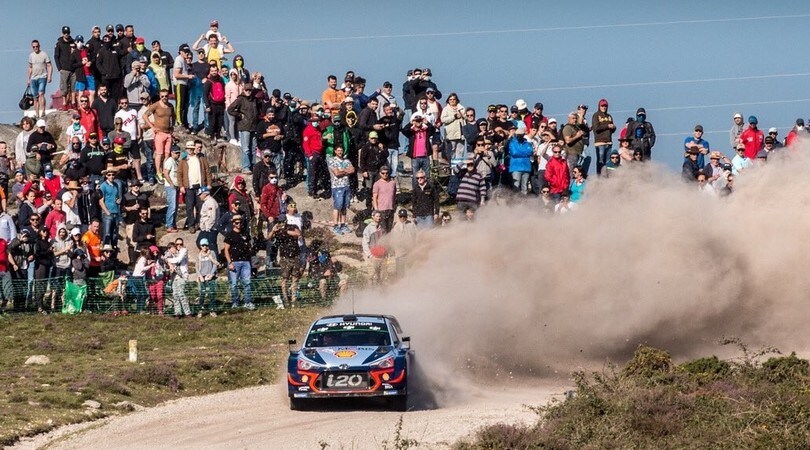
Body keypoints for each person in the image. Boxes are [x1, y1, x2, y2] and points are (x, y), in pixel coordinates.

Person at [177, 140, 213, 232]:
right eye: (188, 149)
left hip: (200, 186)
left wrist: (209, 184)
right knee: (189, 207)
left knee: (200, 206)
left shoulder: (201, 159)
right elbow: (179, 174)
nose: (189, 150)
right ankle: (191, 225)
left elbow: (207, 171)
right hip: (189, 187)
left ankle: (199, 223)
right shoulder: (183, 161)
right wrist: (181, 186)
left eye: (191, 148)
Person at [142, 88, 174, 183]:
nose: (164, 98)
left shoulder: (170, 106)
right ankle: (158, 172)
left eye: (166, 96)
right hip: (159, 133)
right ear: (160, 96)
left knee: (167, 154)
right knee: (159, 154)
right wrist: (152, 126)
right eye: (162, 96)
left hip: (168, 133)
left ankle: (165, 171)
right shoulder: (155, 105)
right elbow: (145, 115)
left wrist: (172, 127)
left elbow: (174, 116)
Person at [228, 83, 260, 173]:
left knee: (253, 148)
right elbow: (230, 109)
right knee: (246, 148)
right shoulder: (240, 99)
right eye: (247, 90)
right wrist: (239, 115)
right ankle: (245, 166)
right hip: (244, 126)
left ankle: (253, 166)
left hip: (253, 126)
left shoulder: (254, 100)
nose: (248, 92)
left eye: (250, 90)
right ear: (244, 90)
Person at [223, 215, 253, 309]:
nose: (239, 224)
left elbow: (249, 246)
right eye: (236, 223)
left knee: (247, 283)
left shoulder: (245, 233)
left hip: (245, 261)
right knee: (234, 284)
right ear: (233, 223)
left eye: (240, 222)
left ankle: (247, 302)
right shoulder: (229, 234)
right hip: (234, 262)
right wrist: (229, 262)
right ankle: (235, 302)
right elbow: (226, 250)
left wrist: (250, 259)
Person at [270, 218, 302, 306]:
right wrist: (273, 231)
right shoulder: (278, 231)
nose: (281, 223)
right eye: (279, 222)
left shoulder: (292, 227)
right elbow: (269, 238)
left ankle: (294, 300)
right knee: (285, 278)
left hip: (295, 256)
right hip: (284, 258)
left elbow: (298, 234)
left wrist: (286, 231)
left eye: (282, 221)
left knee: (295, 278)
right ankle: (285, 298)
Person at [326, 146, 354, 234]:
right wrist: (346, 171)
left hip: (346, 185)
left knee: (344, 206)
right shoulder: (332, 160)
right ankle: (335, 225)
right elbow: (336, 173)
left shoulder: (346, 160)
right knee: (337, 206)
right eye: (338, 150)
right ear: (335, 151)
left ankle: (343, 224)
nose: (340, 152)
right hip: (337, 186)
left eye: (341, 150)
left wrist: (342, 170)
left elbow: (352, 170)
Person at [165, 238, 192, 318]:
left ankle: (188, 313)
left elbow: (178, 260)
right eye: (177, 244)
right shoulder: (171, 253)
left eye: (180, 244)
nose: (179, 246)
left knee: (181, 294)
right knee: (175, 295)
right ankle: (178, 313)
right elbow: (165, 257)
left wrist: (168, 260)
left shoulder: (184, 251)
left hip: (181, 276)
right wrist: (168, 263)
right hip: (173, 277)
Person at [28, 40, 53, 119]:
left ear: (39, 46)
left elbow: (49, 66)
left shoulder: (44, 54)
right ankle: (37, 114)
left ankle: (43, 111)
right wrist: (28, 79)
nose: (35, 48)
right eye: (34, 47)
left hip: (42, 76)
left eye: (37, 46)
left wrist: (49, 76)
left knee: (41, 93)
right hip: (33, 78)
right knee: (35, 97)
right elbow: (30, 67)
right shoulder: (31, 56)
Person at [202, 62, 226, 143]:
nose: (214, 72)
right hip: (212, 104)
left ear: (218, 71)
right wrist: (207, 105)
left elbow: (224, 91)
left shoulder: (221, 80)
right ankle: (212, 137)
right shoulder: (208, 82)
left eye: (215, 70)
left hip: (221, 104)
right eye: (212, 71)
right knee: (212, 122)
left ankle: (218, 135)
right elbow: (205, 94)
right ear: (210, 72)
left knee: (220, 121)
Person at [173, 44, 195, 129]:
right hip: (179, 83)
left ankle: (184, 121)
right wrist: (188, 76)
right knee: (180, 103)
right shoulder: (178, 59)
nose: (187, 53)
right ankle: (179, 122)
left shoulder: (184, 60)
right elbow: (176, 74)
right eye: (185, 52)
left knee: (185, 104)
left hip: (184, 84)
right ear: (181, 52)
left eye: (188, 52)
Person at [591, 99, 615, 175]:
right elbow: (596, 128)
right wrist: (607, 126)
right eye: (602, 106)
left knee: (608, 162)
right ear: (599, 106)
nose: (604, 107)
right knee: (600, 161)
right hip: (600, 142)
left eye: (605, 106)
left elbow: (612, 129)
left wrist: (613, 127)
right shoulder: (596, 115)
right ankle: (599, 178)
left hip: (609, 142)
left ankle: (607, 178)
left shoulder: (609, 116)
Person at [361, 210, 386, 284]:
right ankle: (371, 293)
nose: (379, 218)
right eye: (377, 216)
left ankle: (381, 293)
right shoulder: (368, 229)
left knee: (382, 277)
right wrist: (370, 255)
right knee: (372, 277)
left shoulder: (382, 228)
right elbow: (365, 243)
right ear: (373, 217)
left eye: (379, 216)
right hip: (373, 257)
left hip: (381, 256)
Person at [196, 237, 219, 316]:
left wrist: (211, 274)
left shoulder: (212, 253)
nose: (204, 247)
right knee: (202, 293)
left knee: (212, 293)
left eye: (206, 245)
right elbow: (196, 267)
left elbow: (215, 264)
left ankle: (212, 310)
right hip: (202, 277)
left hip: (210, 276)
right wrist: (200, 276)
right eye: (203, 245)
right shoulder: (198, 255)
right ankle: (201, 310)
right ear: (200, 246)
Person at [54, 26, 75, 110]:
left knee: (73, 87)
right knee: (64, 87)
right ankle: (64, 103)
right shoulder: (59, 43)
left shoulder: (73, 42)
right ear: (62, 33)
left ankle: (73, 102)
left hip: (73, 69)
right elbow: (56, 56)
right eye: (65, 33)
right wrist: (59, 68)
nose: (66, 34)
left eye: (68, 33)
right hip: (64, 69)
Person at [99, 169, 122, 245]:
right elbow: (101, 201)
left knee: (114, 234)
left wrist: (118, 200)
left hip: (116, 212)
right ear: (106, 176)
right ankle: (106, 250)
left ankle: (113, 251)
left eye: (113, 175)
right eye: (109, 175)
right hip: (108, 213)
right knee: (107, 234)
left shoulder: (116, 185)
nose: (111, 176)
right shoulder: (103, 186)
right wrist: (107, 212)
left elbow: (117, 197)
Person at [507, 128, 533, 194]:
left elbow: (530, 152)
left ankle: (523, 202)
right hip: (516, 167)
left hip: (526, 167)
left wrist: (521, 152)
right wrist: (525, 153)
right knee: (516, 186)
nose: (519, 136)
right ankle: (515, 202)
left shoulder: (527, 143)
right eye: (518, 134)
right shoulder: (512, 143)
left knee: (525, 187)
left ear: (523, 134)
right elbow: (514, 153)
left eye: (521, 134)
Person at [372, 166, 397, 232]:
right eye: (383, 173)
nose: (385, 174)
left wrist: (394, 206)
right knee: (382, 230)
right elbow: (374, 197)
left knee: (389, 229)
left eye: (386, 173)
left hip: (390, 209)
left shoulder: (393, 183)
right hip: (381, 210)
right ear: (380, 173)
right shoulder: (377, 184)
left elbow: (394, 195)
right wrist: (376, 209)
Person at [163, 146, 181, 232]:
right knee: (172, 206)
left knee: (176, 206)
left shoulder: (176, 162)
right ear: (172, 152)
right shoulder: (170, 161)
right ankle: (169, 225)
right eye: (176, 153)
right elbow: (165, 173)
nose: (178, 154)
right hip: (171, 187)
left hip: (176, 186)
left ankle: (173, 224)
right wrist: (171, 183)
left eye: (179, 153)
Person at [197, 186, 220, 254]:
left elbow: (212, 217)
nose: (199, 196)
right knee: (199, 242)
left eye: (200, 194)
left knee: (211, 245)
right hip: (206, 228)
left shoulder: (210, 202)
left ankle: (216, 261)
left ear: (205, 194)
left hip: (211, 228)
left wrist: (208, 228)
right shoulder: (206, 202)